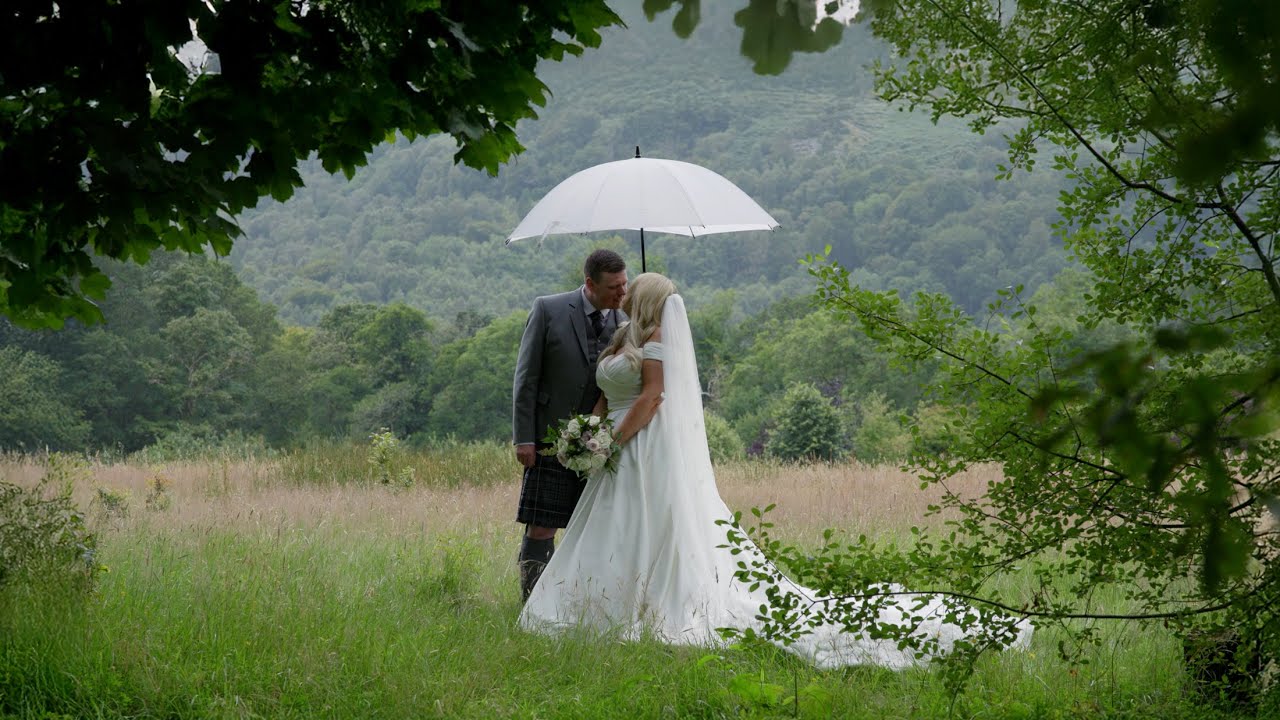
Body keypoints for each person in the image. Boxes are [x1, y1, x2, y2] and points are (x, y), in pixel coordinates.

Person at [519, 273, 1034, 669]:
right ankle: (599, 601)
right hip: (614, 446)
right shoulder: (622, 335)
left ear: (647, 299)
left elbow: (652, 398)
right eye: (620, 286)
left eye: (632, 288)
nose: (625, 291)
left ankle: (647, 602)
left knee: (648, 520)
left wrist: (612, 441)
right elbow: (608, 392)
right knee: (615, 523)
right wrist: (589, 433)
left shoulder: (655, 338)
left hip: (641, 444)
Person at [512, 249, 628, 601]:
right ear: (590, 283)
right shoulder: (548, 309)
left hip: (603, 444)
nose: (622, 293)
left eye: (624, 285)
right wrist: (524, 438)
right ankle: (532, 603)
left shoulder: (627, 321)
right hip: (549, 440)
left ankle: (578, 602)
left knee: (596, 528)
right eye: (614, 287)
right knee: (541, 527)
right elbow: (526, 377)